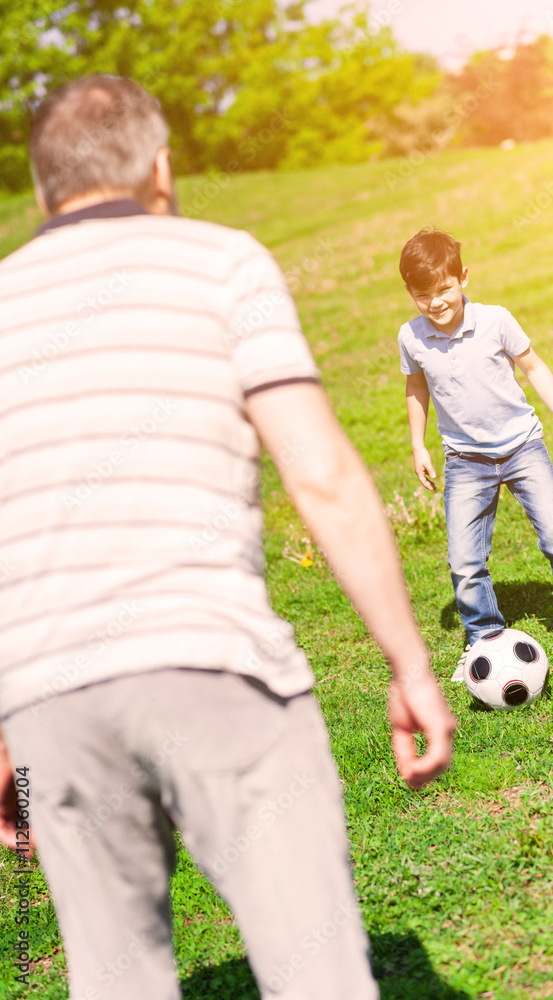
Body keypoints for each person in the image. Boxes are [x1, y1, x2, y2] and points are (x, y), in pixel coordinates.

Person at [0, 76, 456, 1000]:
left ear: (45, 189)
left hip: (49, 699)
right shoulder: (223, 262)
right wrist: (408, 660)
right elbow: (320, 470)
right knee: (316, 972)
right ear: (160, 169)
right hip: (216, 669)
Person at [397, 228, 553, 679]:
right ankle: (482, 638)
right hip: (464, 461)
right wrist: (419, 444)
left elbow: (534, 367)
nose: (436, 302)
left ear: (463, 278)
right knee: (464, 560)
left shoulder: (496, 319)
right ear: (410, 294)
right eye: (423, 295)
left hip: (522, 446)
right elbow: (415, 387)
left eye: (444, 289)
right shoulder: (411, 337)